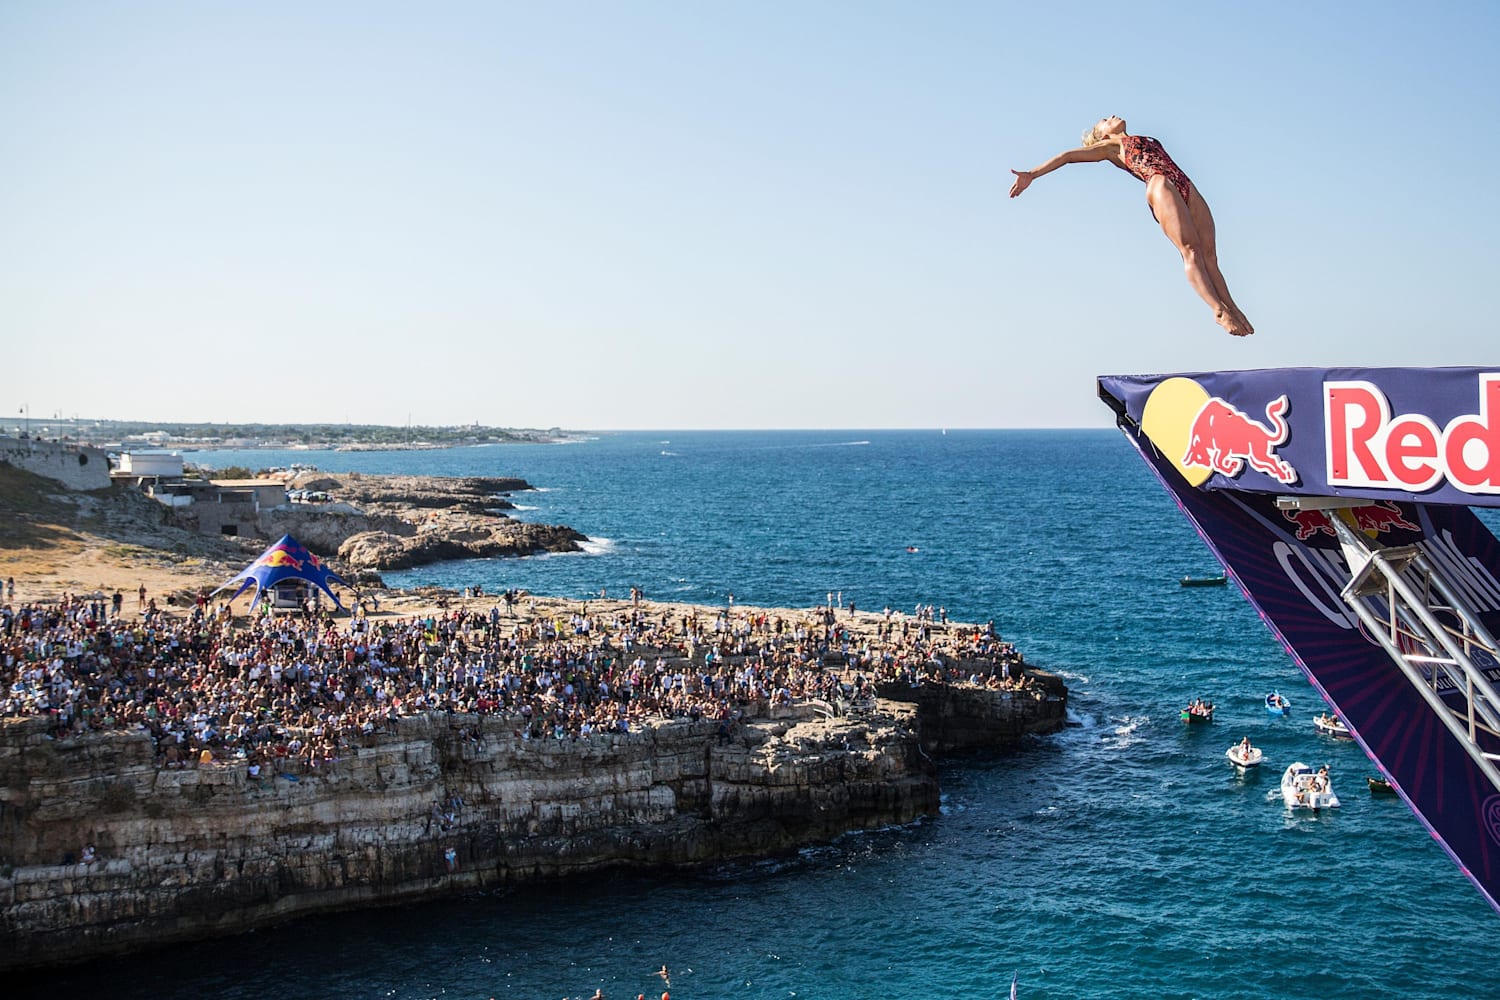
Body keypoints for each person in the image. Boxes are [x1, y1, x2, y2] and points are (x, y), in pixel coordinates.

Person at [1010, 115, 1253, 337]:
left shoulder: (1143, 137)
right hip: (1159, 183)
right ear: (1102, 135)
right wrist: (1031, 174)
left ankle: (1232, 307)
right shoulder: (1110, 147)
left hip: (1184, 183)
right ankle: (1218, 310)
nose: (1111, 117)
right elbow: (1067, 157)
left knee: (1210, 255)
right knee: (1191, 250)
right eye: (1104, 120)